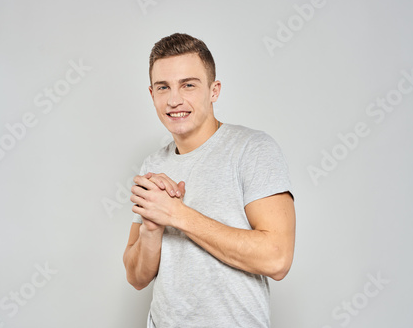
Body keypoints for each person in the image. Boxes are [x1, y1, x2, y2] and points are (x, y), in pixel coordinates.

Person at [123, 33, 296, 328]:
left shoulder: (252, 149)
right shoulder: (153, 164)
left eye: (188, 84)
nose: (174, 99)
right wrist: (152, 228)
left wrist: (177, 214)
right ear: (152, 94)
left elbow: (276, 259)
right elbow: (137, 277)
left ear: (214, 90)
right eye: (163, 87)